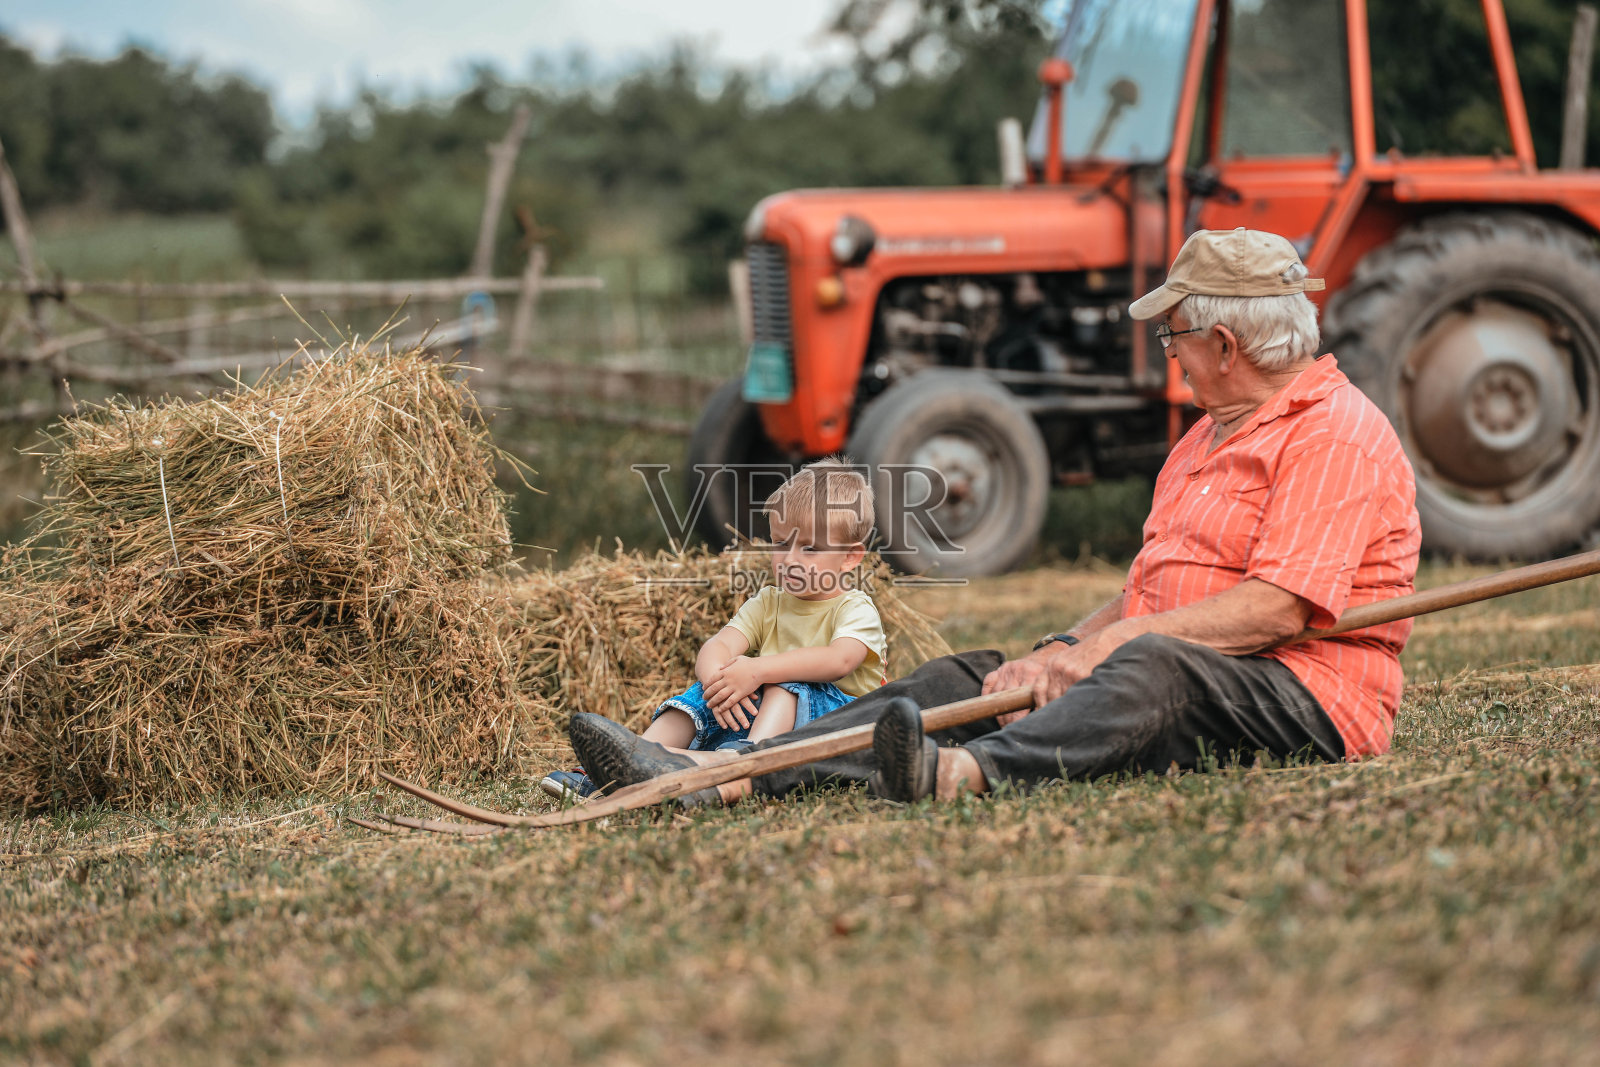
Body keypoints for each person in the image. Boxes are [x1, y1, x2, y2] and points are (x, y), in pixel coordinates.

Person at [568, 227, 1422, 808]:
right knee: (967, 677)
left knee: (1155, 667)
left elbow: (1276, 608)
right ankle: (724, 772)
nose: (1170, 353)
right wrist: (1055, 651)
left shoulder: (1335, 435)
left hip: (1301, 693)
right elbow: (1147, 590)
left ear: (1225, 346)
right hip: (1165, 656)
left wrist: (1103, 653)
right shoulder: (1206, 437)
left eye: (1175, 338)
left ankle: (963, 774)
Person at [544, 458, 887, 800]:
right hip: (765, 722)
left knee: (785, 683)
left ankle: (740, 770)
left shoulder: (854, 608)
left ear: (849, 558)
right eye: (781, 543)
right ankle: (624, 766)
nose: (790, 559)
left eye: (809, 548)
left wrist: (757, 669)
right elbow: (718, 646)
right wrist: (716, 685)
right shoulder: (769, 601)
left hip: (833, 728)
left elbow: (839, 660)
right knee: (715, 684)